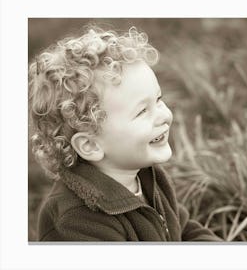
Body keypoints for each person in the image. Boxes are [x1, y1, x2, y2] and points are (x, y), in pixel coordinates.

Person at [29, 25, 222, 241]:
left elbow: (184, 230)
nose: (164, 114)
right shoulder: (76, 222)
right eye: (142, 111)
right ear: (90, 145)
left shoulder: (148, 176)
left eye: (158, 100)